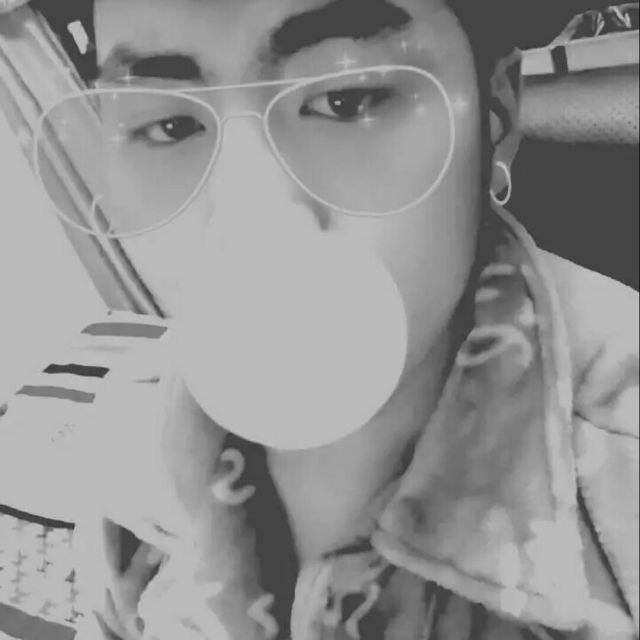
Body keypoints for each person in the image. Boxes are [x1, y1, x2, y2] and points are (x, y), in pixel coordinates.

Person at [26, 0, 637, 638]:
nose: (252, 220)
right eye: (170, 125)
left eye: (347, 100)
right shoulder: (130, 447)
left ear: (496, 116)